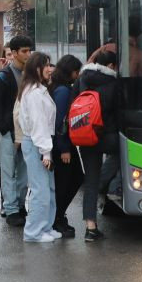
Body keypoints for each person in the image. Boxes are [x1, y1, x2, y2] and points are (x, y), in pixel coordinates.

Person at [0, 34, 33, 226]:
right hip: (8, 134)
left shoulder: (30, 75)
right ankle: (11, 209)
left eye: (29, 51)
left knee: (24, 173)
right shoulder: (3, 77)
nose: (28, 54)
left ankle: (21, 206)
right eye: (24, 51)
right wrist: (5, 129)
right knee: (8, 173)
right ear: (13, 53)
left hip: (27, 133)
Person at [77, 48, 120, 241]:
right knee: (123, 154)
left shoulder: (82, 79)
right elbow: (120, 113)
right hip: (108, 136)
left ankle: (90, 228)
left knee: (90, 181)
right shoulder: (114, 83)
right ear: (111, 66)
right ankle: (112, 187)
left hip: (86, 136)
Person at [16, 52, 59, 243]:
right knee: (40, 189)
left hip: (39, 143)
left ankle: (45, 227)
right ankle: (33, 232)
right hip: (37, 144)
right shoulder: (34, 93)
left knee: (47, 189)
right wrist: (46, 152)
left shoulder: (37, 89)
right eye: (47, 65)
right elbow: (39, 124)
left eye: (51, 65)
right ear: (37, 69)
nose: (50, 69)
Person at [49, 55, 84, 239]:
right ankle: (57, 218)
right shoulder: (63, 91)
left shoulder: (58, 87)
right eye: (76, 71)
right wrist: (64, 149)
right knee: (68, 181)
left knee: (71, 180)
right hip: (62, 145)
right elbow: (61, 121)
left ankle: (58, 216)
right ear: (70, 71)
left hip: (62, 144)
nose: (77, 75)